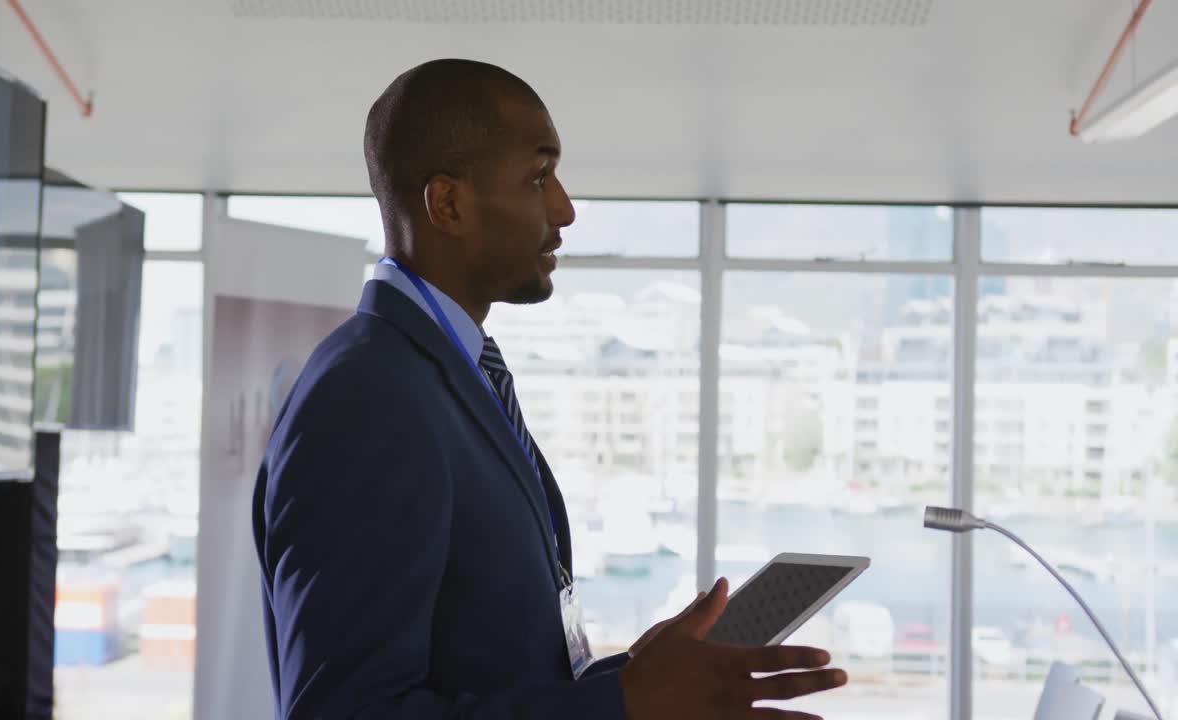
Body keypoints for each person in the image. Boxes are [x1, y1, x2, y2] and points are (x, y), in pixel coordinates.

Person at [252, 58, 849, 720]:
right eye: (539, 177)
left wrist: (633, 681)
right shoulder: (370, 395)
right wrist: (624, 704)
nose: (564, 209)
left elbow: (484, 665)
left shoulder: (448, 373)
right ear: (447, 203)